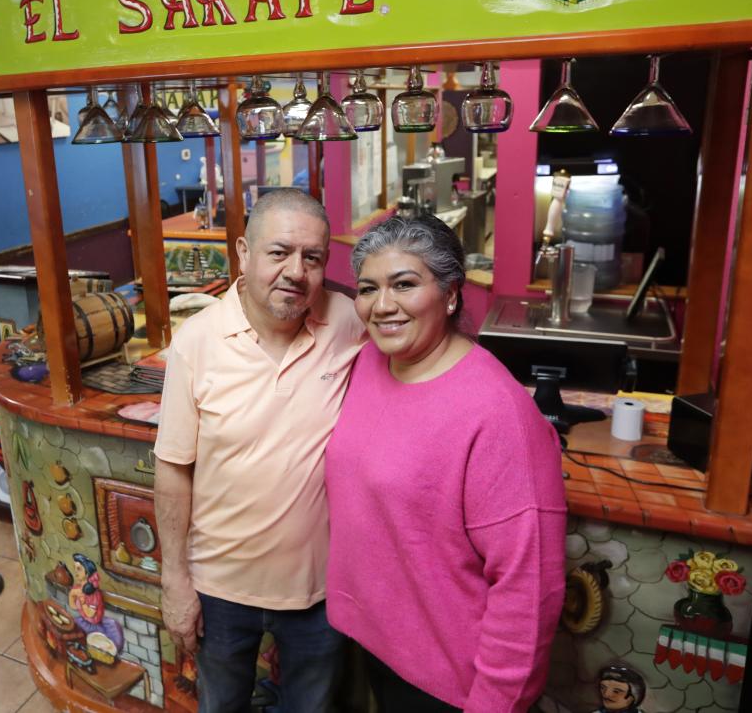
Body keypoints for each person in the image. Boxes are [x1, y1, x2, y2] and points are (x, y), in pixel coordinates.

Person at [326, 215, 567, 712]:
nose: (382, 305)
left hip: (449, 681)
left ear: (452, 294)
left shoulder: (498, 414)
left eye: (405, 284)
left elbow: (529, 587)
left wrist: (496, 703)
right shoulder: (370, 363)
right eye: (368, 288)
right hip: (375, 644)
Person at [155, 188, 366, 713]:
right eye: (279, 252)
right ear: (243, 254)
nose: (296, 271)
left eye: (312, 257)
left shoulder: (349, 322)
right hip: (219, 590)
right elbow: (173, 468)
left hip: (320, 592)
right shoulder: (197, 341)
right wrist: (175, 582)